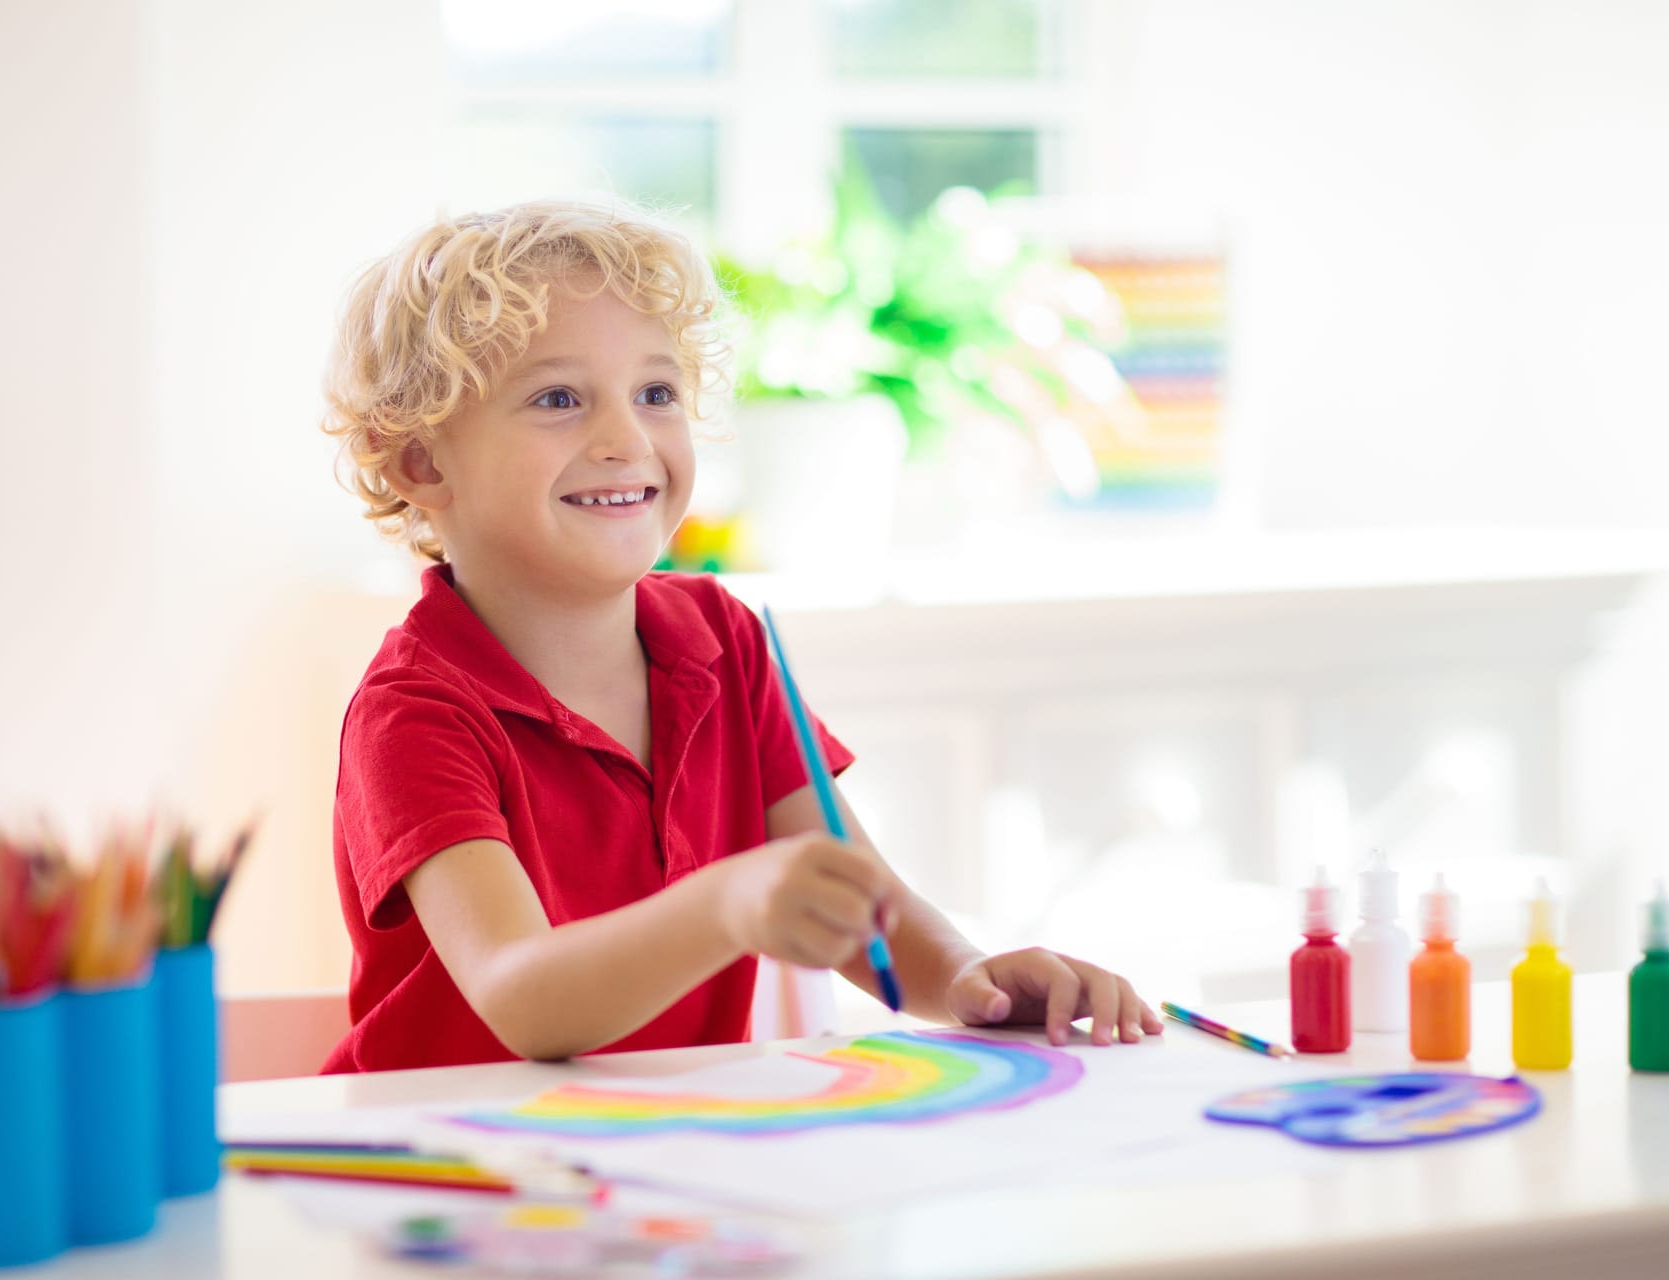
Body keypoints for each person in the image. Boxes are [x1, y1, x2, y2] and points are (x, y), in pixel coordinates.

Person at [316, 199, 1162, 1071]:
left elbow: (861, 912)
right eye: (558, 398)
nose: (626, 438)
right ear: (420, 463)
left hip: (656, 1151)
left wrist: (969, 982)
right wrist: (726, 904)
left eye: (655, 394)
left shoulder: (725, 640)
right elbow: (525, 1002)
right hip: (453, 1163)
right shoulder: (414, 714)